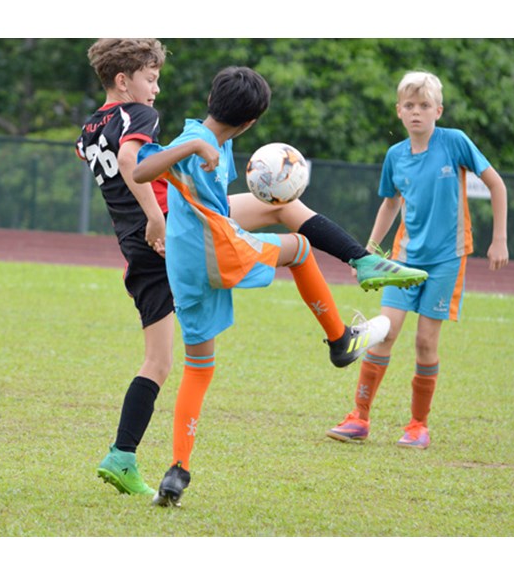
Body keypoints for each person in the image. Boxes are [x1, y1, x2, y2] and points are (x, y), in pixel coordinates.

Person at [77, 40, 425, 498]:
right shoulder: (139, 115)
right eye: (151, 79)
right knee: (295, 242)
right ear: (123, 81)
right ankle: (347, 313)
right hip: (178, 227)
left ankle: (130, 457)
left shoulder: (91, 127)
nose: (156, 89)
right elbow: (132, 163)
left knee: (165, 361)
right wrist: (156, 215)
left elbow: (106, 163)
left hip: (149, 246)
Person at [132, 66, 392, 507]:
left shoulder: (213, 137)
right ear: (251, 122)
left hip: (186, 261)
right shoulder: (196, 139)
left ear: (211, 98)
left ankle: (177, 471)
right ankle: (339, 340)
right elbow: (142, 171)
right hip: (216, 251)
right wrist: (191, 146)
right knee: (300, 249)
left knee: (199, 365)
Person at [325, 71, 509, 449]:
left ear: (438, 110)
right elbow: (390, 203)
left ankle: (418, 426)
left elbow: (497, 184)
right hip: (403, 260)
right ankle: (359, 417)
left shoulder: (455, 142)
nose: (416, 112)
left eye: (424, 105)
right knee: (385, 333)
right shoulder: (395, 156)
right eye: (409, 105)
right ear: (399, 111)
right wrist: (368, 249)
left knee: (425, 342)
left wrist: (499, 239)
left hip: (447, 260)